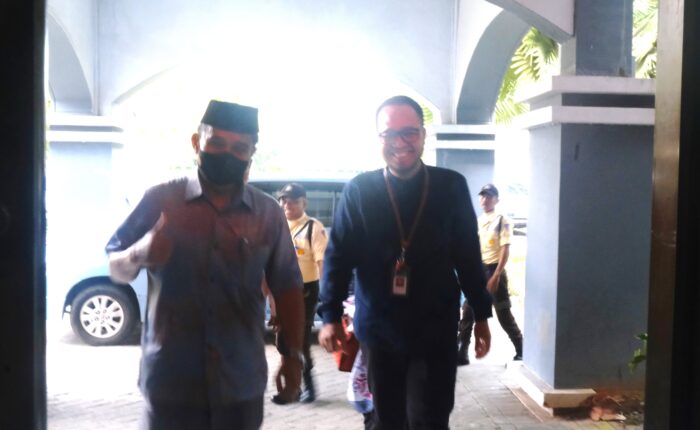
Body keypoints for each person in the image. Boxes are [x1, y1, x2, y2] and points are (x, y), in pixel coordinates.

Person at [105, 100, 305, 430]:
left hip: (239, 384)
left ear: (252, 153)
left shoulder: (268, 213)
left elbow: (287, 287)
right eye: (217, 143)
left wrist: (293, 356)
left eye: (240, 148)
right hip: (171, 384)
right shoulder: (160, 200)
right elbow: (115, 267)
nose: (228, 154)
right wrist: (140, 252)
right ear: (197, 142)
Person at [317, 95, 493, 429]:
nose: (400, 142)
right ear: (378, 139)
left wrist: (482, 314)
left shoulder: (450, 186)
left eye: (409, 132)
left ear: (423, 135)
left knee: (430, 418)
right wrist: (329, 316)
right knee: (386, 419)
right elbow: (338, 257)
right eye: (389, 134)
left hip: (435, 328)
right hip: (379, 328)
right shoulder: (360, 190)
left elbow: (468, 255)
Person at [457, 184, 523, 366]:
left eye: (489, 196)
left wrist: (496, 276)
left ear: (496, 200)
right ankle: (462, 353)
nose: (485, 199)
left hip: (494, 271)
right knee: (468, 311)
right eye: (483, 196)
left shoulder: (502, 220)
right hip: (478, 270)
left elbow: (505, 250)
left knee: (503, 313)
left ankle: (522, 348)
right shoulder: (478, 221)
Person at [275, 182, 329, 403]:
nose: (288, 205)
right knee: (282, 340)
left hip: (305, 291)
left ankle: (308, 387)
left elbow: (322, 263)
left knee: (300, 340)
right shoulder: (277, 225)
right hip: (281, 289)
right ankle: (292, 384)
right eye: (284, 201)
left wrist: (326, 294)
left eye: (294, 202)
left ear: (304, 203)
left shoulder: (313, 228)